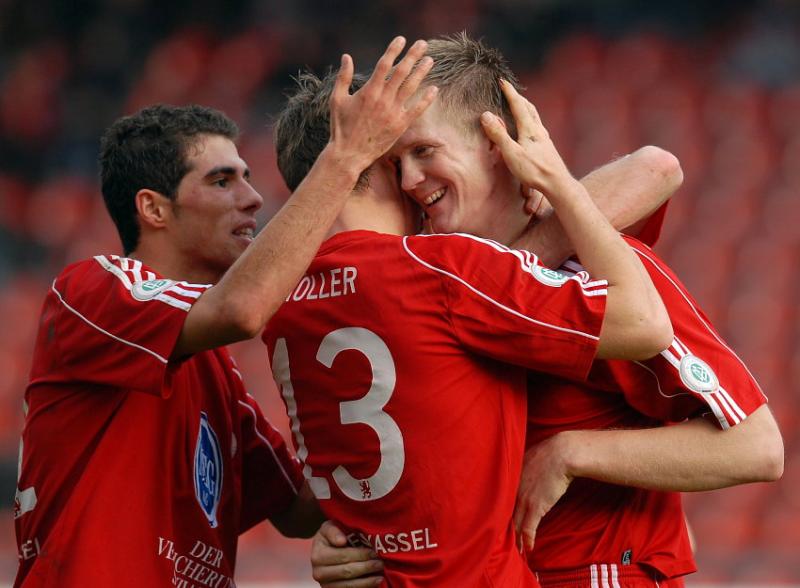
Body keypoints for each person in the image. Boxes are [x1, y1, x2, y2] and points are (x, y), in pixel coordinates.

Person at [311, 33, 784, 587]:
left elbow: (756, 448)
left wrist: (571, 452)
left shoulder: (599, 273)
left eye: (424, 151)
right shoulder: (432, 287)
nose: (410, 181)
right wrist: (345, 540)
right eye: (395, 163)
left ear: (496, 142)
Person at [12, 37, 439, 587]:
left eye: (247, 177)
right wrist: (345, 157)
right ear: (154, 209)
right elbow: (241, 310)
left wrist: (400, 389)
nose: (253, 198)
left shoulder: (217, 372)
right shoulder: (92, 289)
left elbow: (296, 508)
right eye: (221, 181)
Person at [266, 60, 673, 585]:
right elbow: (642, 324)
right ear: (377, 158)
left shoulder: (278, 304)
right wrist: (553, 191)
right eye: (400, 157)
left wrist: (337, 536)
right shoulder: (444, 270)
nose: (414, 180)